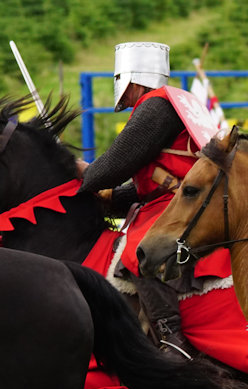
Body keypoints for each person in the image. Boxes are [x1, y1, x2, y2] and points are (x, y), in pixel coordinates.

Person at [78, 41, 229, 355]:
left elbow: (107, 170)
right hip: (177, 196)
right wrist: (111, 198)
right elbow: (149, 184)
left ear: (131, 78)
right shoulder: (176, 101)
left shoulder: (156, 105)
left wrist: (75, 169)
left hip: (183, 203)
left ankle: (171, 340)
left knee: (142, 249)